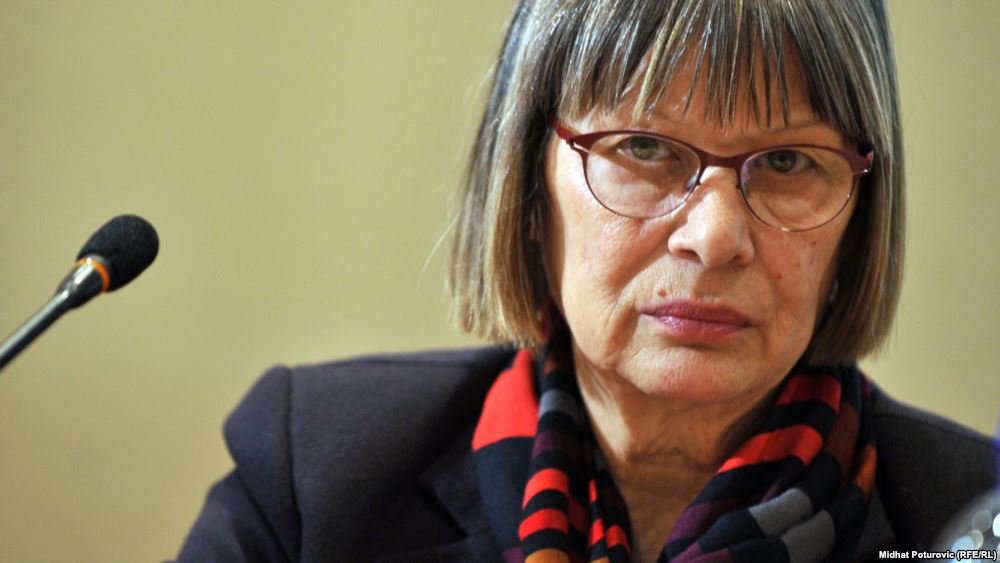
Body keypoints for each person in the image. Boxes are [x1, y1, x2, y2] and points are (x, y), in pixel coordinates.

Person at [177, 1, 997, 561]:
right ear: (527, 182)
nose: (715, 238)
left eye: (787, 161)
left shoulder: (973, 519)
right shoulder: (316, 477)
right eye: (643, 148)